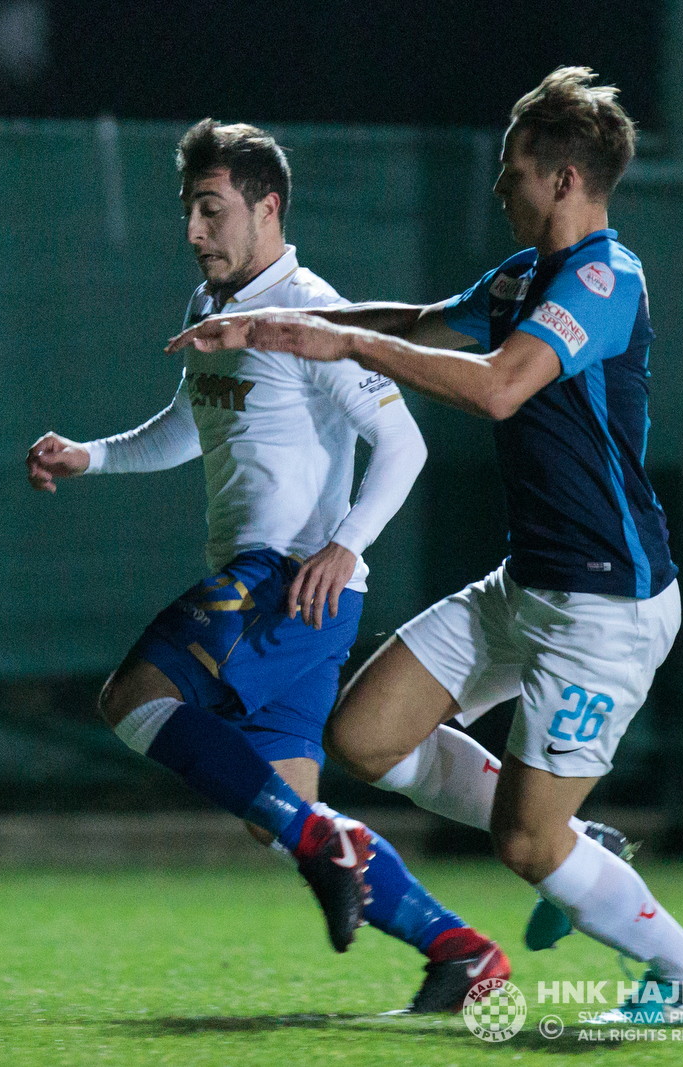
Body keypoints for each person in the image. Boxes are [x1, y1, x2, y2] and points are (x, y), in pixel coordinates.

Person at [168, 70, 683, 1026]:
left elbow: (500, 384)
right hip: (527, 584)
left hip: (608, 605)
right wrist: (281, 326)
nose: (498, 189)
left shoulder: (603, 277)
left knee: (522, 845)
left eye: (512, 172)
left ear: (563, 180)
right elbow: (419, 327)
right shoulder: (521, 277)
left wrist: (340, 350)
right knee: (364, 735)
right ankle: (575, 836)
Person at [26, 119, 511, 1013]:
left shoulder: (311, 313)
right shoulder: (210, 310)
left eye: (212, 211)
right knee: (275, 816)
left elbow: (401, 446)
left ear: (268, 207)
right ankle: (462, 952)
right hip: (289, 599)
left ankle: (328, 843)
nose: (195, 232)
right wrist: (87, 455)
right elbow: (186, 425)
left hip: (286, 580)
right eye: (189, 212)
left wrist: (345, 544)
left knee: (133, 696)